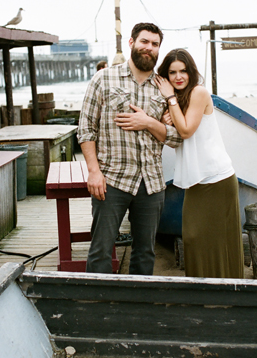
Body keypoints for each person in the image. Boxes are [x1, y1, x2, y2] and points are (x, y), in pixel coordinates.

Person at [77, 23, 182, 275]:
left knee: (145, 251)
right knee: (101, 250)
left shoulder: (164, 87)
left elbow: (177, 137)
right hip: (111, 180)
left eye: (155, 44)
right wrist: (93, 171)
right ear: (131, 43)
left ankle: (138, 306)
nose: (149, 48)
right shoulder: (103, 79)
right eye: (144, 41)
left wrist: (149, 122)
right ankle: (100, 307)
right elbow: (86, 129)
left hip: (151, 183)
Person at [154, 48, 244, 279]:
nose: (178, 77)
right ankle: (205, 292)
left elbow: (185, 131)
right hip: (196, 180)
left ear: (191, 71)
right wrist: (167, 119)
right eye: (172, 72)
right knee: (194, 238)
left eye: (183, 70)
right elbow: (178, 143)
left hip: (217, 179)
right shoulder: (180, 101)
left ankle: (226, 292)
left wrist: (170, 99)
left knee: (218, 240)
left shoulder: (199, 92)